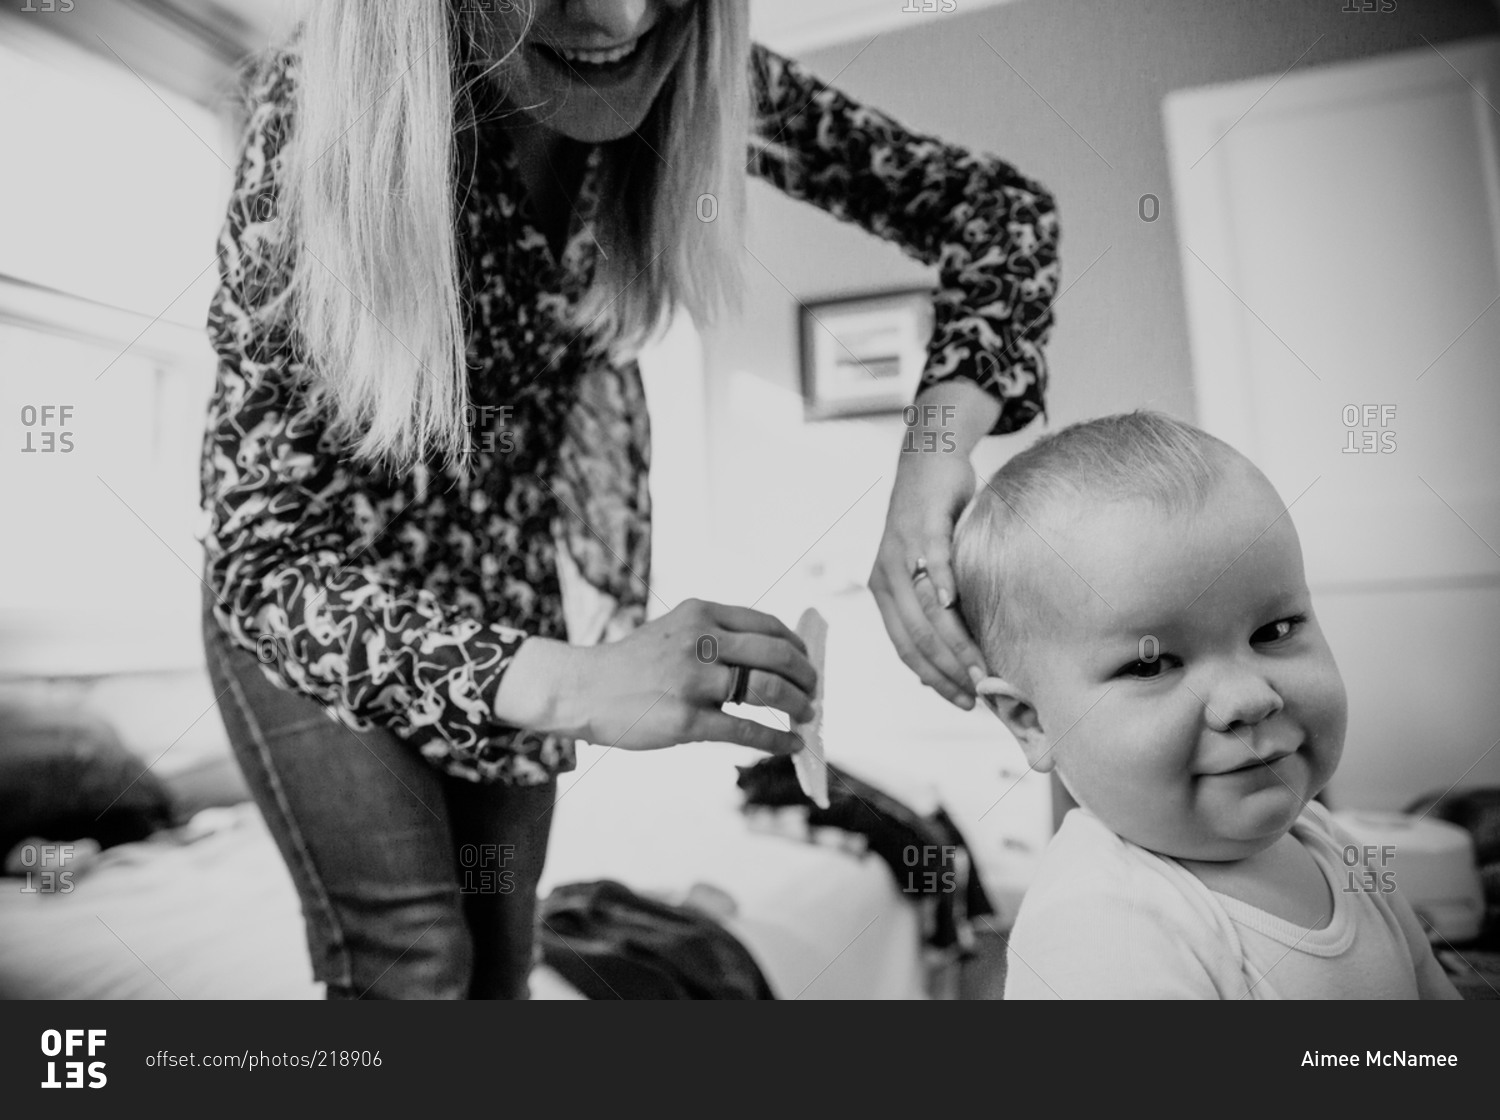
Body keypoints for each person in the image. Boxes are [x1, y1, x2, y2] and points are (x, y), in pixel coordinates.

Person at [201, 0, 1059, 999]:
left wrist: (930, 460)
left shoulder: (696, 67)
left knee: (501, 963)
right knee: (417, 960)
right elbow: (262, 564)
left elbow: (996, 211)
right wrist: (584, 683)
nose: (617, 15)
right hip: (320, 611)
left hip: (500, 592)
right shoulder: (310, 124)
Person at [951, 412, 1460, 999]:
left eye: (1274, 630)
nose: (1248, 698)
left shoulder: (1329, 842)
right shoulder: (1102, 930)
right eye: (1151, 665)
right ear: (1031, 722)